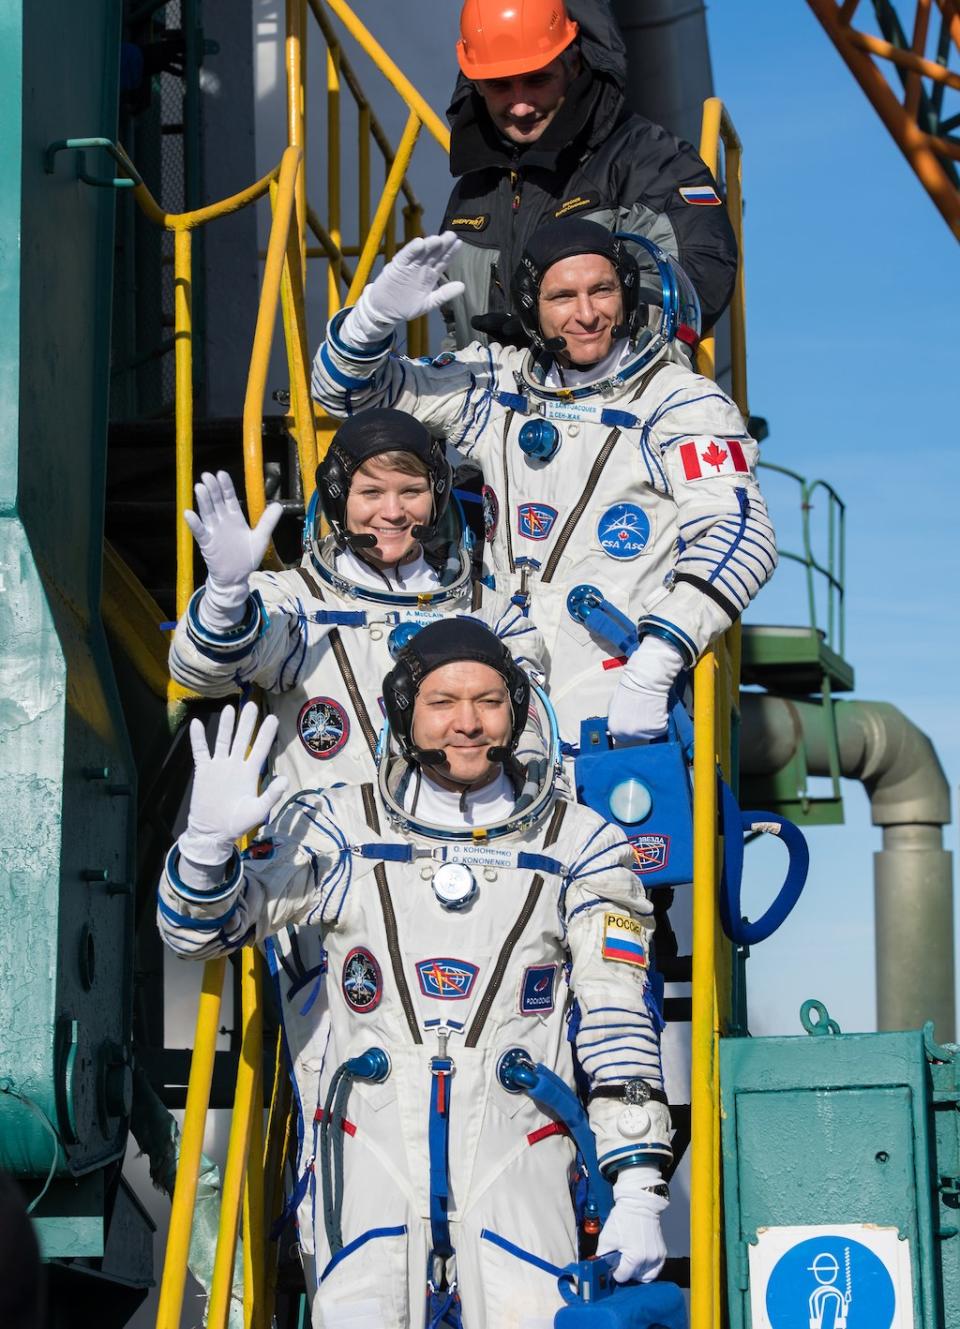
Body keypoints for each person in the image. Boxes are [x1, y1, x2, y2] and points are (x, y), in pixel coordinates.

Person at [157, 620, 673, 1329]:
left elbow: (617, 1014)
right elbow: (197, 930)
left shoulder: (579, 841)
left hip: (519, 1154)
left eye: (490, 700)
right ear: (404, 710)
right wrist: (207, 850)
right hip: (368, 1158)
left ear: (517, 709)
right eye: (443, 701)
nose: (467, 722)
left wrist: (640, 1186)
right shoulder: (339, 827)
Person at [310, 221, 777, 754]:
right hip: (495, 704)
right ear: (532, 307)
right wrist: (372, 321)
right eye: (562, 296)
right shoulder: (499, 387)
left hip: (618, 700)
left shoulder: (681, 402)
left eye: (602, 290)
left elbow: (741, 532)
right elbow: (349, 399)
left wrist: (658, 659)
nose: (586, 314)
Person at [169, 406, 545, 796]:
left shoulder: (492, 615)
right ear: (337, 499)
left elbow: (528, 741)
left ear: (436, 496)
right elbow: (202, 675)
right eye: (371, 493)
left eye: (411, 491)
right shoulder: (297, 603)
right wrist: (225, 600)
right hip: (330, 849)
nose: (393, 512)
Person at [439, 0, 738, 349]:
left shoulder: (650, 161)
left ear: (574, 62)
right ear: (474, 84)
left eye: (537, 79)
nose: (520, 105)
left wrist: (585, 344)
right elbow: (454, 325)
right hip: (492, 399)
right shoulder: (471, 190)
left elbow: (695, 271)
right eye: (499, 85)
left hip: (619, 397)